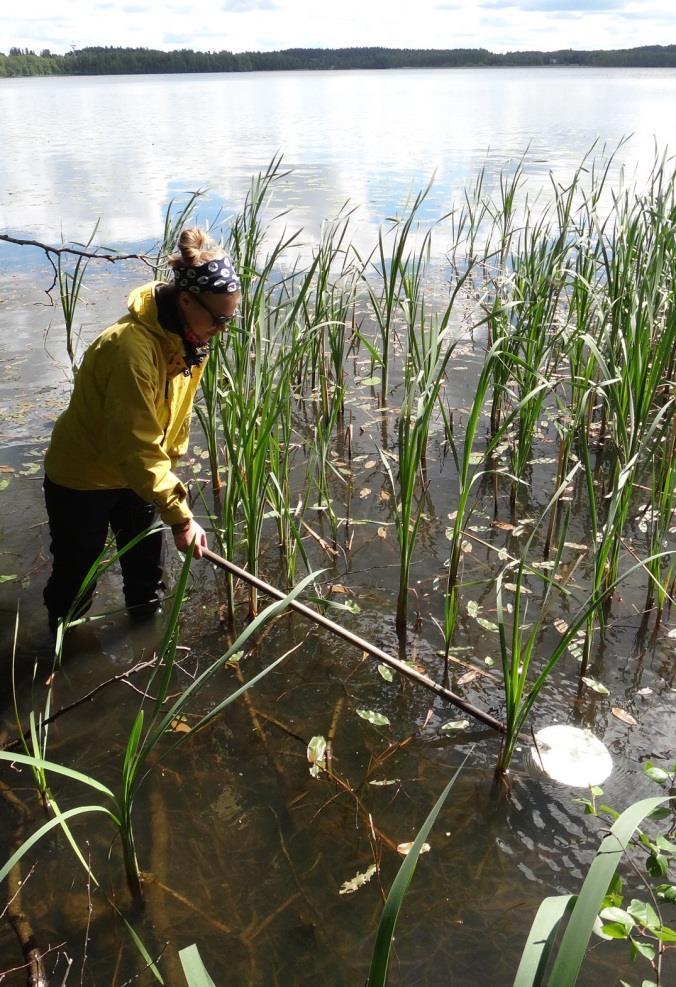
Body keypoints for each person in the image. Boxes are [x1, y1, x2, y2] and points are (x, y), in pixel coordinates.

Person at [42, 227, 241, 631]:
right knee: (76, 578)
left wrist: (168, 483)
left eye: (230, 320)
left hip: (140, 477)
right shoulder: (130, 350)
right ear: (186, 300)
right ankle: (59, 658)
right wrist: (181, 518)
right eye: (219, 318)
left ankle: (145, 648)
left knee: (146, 578)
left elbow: (174, 420)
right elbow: (135, 446)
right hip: (83, 479)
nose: (223, 329)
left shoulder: (190, 342)